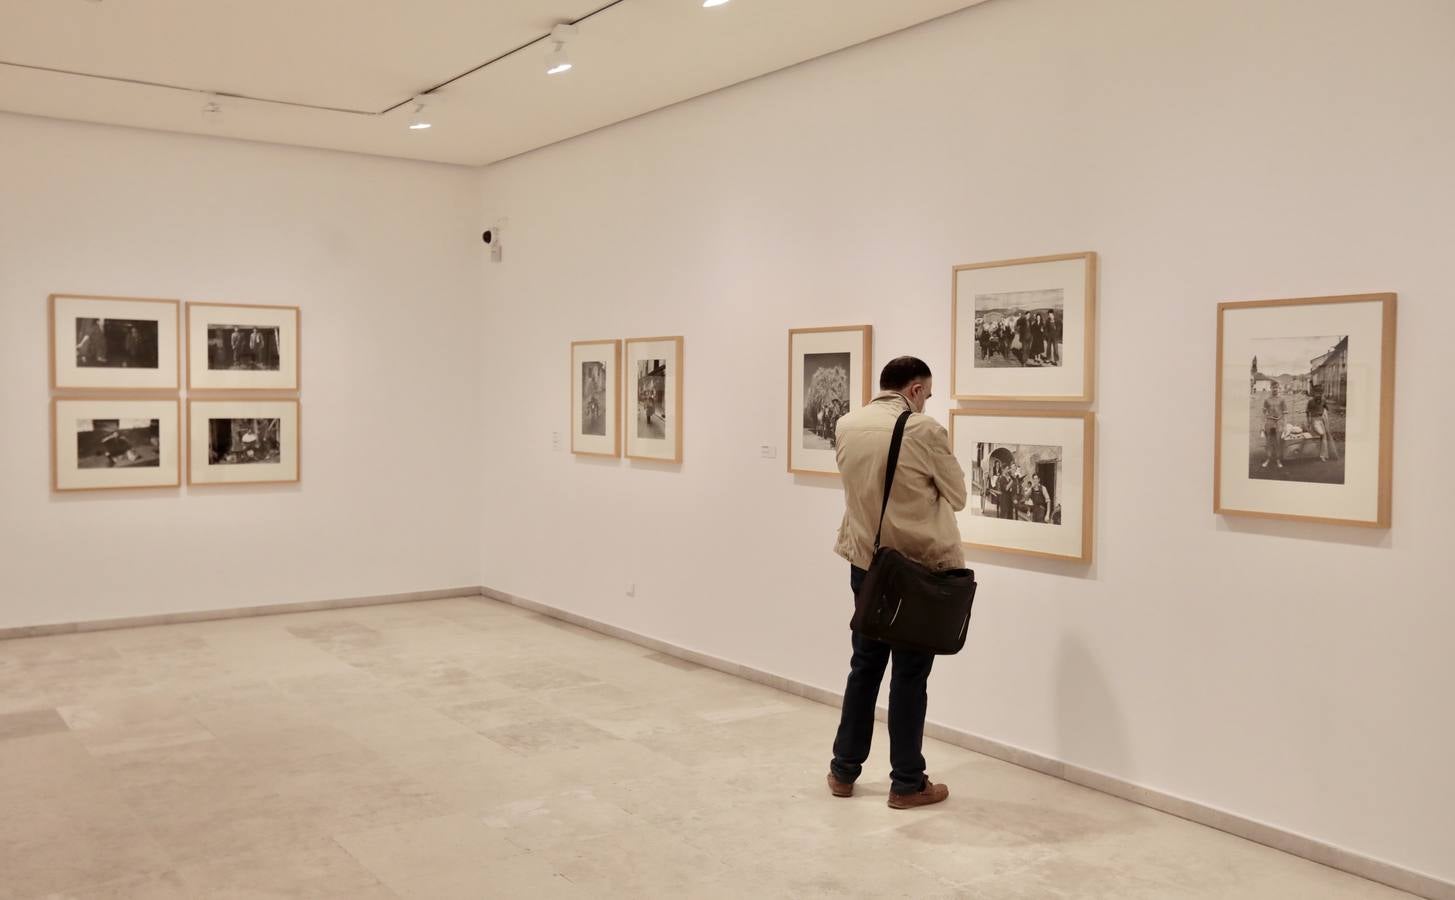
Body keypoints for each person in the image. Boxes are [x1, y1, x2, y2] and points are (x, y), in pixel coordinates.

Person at [828, 356, 964, 810]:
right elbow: (959, 495)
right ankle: (907, 782)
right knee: (909, 674)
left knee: (864, 665)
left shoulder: (847, 424)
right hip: (914, 567)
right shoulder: (924, 431)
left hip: (866, 562)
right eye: (927, 392)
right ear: (915, 389)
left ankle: (843, 770)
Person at [1306, 384, 1340, 463]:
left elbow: (1326, 407)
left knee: (1325, 435)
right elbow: (1307, 412)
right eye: (1317, 393)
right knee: (1322, 433)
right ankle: (1320, 453)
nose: (1319, 395)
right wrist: (1309, 423)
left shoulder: (1323, 400)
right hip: (1315, 420)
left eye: (1320, 393)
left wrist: (1325, 411)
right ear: (1314, 393)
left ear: (1322, 393)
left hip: (1322, 420)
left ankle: (1323, 455)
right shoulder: (1310, 402)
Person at [1261, 382, 1287, 469]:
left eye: (1276, 387)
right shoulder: (1267, 400)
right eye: (1273, 387)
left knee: (1278, 442)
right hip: (1269, 422)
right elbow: (1264, 414)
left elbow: (1285, 414)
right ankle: (1268, 459)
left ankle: (1278, 460)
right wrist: (1262, 426)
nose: (1275, 389)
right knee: (1268, 442)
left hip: (1279, 422)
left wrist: (1285, 426)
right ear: (1270, 388)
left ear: (1278, 388)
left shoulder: (1282, 399)